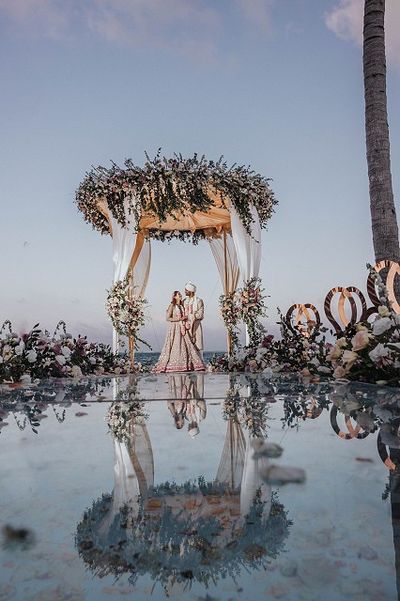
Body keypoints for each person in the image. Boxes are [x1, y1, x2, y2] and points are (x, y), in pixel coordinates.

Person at [154, 291, 205, 373]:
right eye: (179, 295)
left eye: (180, 294)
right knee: (176, 344)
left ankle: (188, 364)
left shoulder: (181, 306)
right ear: (174, 297)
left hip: (182, 326)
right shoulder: (172, 306)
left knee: (186, 345)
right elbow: (168, 318)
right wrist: (179, 319)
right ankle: (174, 365)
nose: (181, 295)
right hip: (175, 327)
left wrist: (185, 319)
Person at [183, 281, 205, 359]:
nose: (185, 291)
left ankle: (199, 364)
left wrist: (191, 316)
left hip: (196, 326)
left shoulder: (199, 301)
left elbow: (201, 314)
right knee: (186, 346)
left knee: (197, 345)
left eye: (186, 290)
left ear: (191, 291)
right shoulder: (184, 301)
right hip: (186, 326)